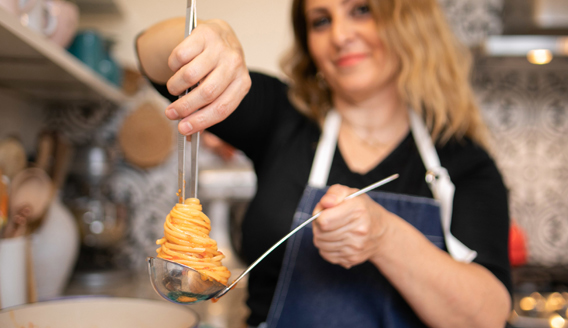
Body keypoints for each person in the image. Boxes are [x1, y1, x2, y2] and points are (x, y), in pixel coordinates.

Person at [135, 0, 512, 326]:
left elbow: (487, 316)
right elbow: (152, 58)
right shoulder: (282, 118)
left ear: (408, 21)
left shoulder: (463, 161)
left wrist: (385, 236)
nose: (340, 35)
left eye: (361, 10)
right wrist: (206, 36)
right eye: (321, 20)